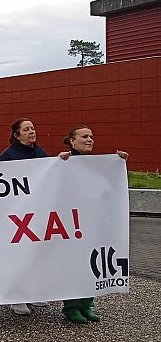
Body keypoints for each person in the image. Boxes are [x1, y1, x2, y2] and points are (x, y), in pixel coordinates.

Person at [58, 126, 128, 324]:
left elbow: (111, 185)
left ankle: (87, 305)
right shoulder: (64, 162)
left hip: (94, 222)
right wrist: (59, 161)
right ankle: (71, 307)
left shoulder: (98, 165)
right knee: (74, 264)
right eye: (84, 136)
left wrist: (120, 163)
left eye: (91, 136)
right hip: (73, 224)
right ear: (72, 141)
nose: (89, 139)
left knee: (92, 262)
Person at [0, 118, 50, 314]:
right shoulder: (8, 156)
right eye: (26, 129)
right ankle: (17, 296)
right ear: (17, 135)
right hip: (17, 213)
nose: (31, 132)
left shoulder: (40, 153)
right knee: (18, 256)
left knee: (36, 254)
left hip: (37, 211)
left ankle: (33, 292)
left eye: (33, 128)